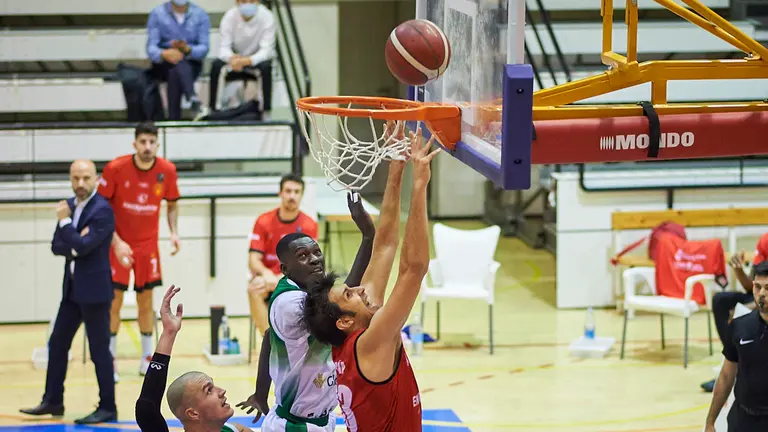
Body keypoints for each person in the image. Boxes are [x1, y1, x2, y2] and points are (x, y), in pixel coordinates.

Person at [302, 129, 439, 431]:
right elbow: (413, 270)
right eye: (350, 294)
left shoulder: (355, 335)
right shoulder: (370, 341)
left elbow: (386, 246)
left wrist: (397, 163)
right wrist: (419, 184)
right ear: (344, 321)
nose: (359, 289)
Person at [236, 192, 376, 431]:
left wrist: (261, 393)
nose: (314, 260)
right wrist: (367, 237)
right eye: (302, 256)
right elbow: (343, 304)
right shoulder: (290, 303)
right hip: (296, 425)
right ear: (285, 269)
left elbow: (269, 336)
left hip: (321, 419)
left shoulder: (311, 290)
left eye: (316, 253)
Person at [20, 160, 118, 425]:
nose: (80, 184)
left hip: (96, 292)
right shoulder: (71, 205)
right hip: (73, 291)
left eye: (85, 178)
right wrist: (74, 239)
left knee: (99, 351)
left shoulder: (102, 210)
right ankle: (53, 400)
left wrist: (67, 228)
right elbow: (57, 245)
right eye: (75, 178)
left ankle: (108, 406)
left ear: (96, 178)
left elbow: (84, 246)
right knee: (58, 343)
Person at [98, 122, 181, 380]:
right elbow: (100, 209)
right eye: (142, 142)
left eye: (152, 142)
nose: (147, 147)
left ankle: (147, 357)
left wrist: (174, 232)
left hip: (148, 247)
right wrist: (115, 242)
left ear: (157, 144)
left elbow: (172, 204)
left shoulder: (166, 170)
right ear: (134, 144)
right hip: (118, 244)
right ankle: (109, 358)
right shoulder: (115, 168)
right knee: (114, 302)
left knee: (147, 303)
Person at [136, 285, 251, 432]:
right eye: (209, 390)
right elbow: (146, 408)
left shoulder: (237, 430)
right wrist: (169, 333)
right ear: (193, 413)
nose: (221, 391)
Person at [247, 174, 317, 336]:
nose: (292, 196)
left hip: (295, 280)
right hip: (268, 279)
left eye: (296, 192)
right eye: (288, 191)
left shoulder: (309, 225)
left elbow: (307, 264)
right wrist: (267, 274)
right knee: (254, 289)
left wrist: (281, 279)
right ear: (281, 194)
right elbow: (253, 259)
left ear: (301, 195)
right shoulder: (263, 221)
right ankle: (269, 341)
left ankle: (298, 344)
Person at [704, 260, 768, 432]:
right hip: (742, 420)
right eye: (757, 287)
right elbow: (726, 376)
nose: (762, 293)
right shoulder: (740, 326)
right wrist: (711, 421)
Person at [700, 234, 767, 392]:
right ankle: (734, 364)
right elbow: (752, 288)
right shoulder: (765, 241)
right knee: (720, 301)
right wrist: (737, 269)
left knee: (745, 313)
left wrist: (754, 306)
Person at [146, 0, 211, 120]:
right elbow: (151, 48)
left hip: (191, 64)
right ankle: (192, 98)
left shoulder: (200, 14)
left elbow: (204, 48)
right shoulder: (157, 13)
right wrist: (164, 53)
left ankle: (173, 118)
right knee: (176, 65)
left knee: (178, 66)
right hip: (163, 65)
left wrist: (187, 49)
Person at [210, 0, 275, 116]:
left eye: (251, 0)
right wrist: (232, 58)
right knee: (216, 66)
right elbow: (223, 47)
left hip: (256, 59)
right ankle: (215, 110)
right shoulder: (229, 16)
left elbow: (267, 50)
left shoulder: (267, 17)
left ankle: (265, 113)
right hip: (235, 58)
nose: (247, 4)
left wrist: (248, 60)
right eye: (244, 1)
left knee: (266, 67)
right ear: (237, 2)